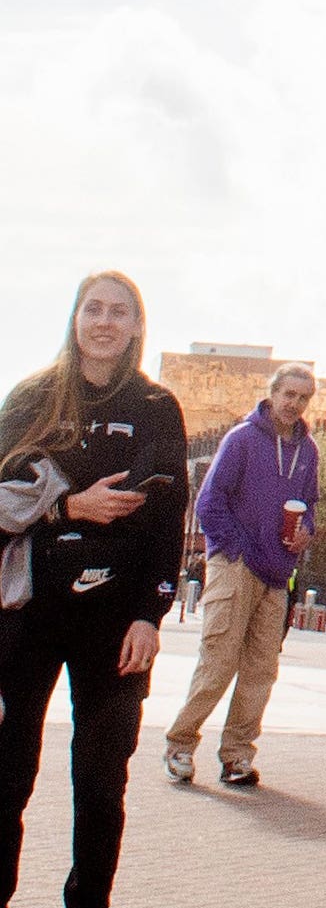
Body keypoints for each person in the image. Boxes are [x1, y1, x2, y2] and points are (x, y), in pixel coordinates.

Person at [0, 271, 188, 908]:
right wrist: (68, 509)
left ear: (137, 325)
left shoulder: (158, 408)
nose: (105, 322)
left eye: (120, 312)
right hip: (26, 615)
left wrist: (151, 615)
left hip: (115, 622)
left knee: (102, 784)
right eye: (94, 309)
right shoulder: (32, 399)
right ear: (75, 318)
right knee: (4, 778)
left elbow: (170, 522)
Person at [161, 358, 315, 788]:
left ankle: (236, 756)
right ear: (272, 393)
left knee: (261, 670)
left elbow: (311, 506)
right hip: (235, 566)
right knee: (219, 662)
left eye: (303, 398)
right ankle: (179, 745)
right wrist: (236, 551)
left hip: (277, 572)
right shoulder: (242, 439)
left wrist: (306, 534)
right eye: (289, 394)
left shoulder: (309, 450)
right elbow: (209, 503)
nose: (295, 404)